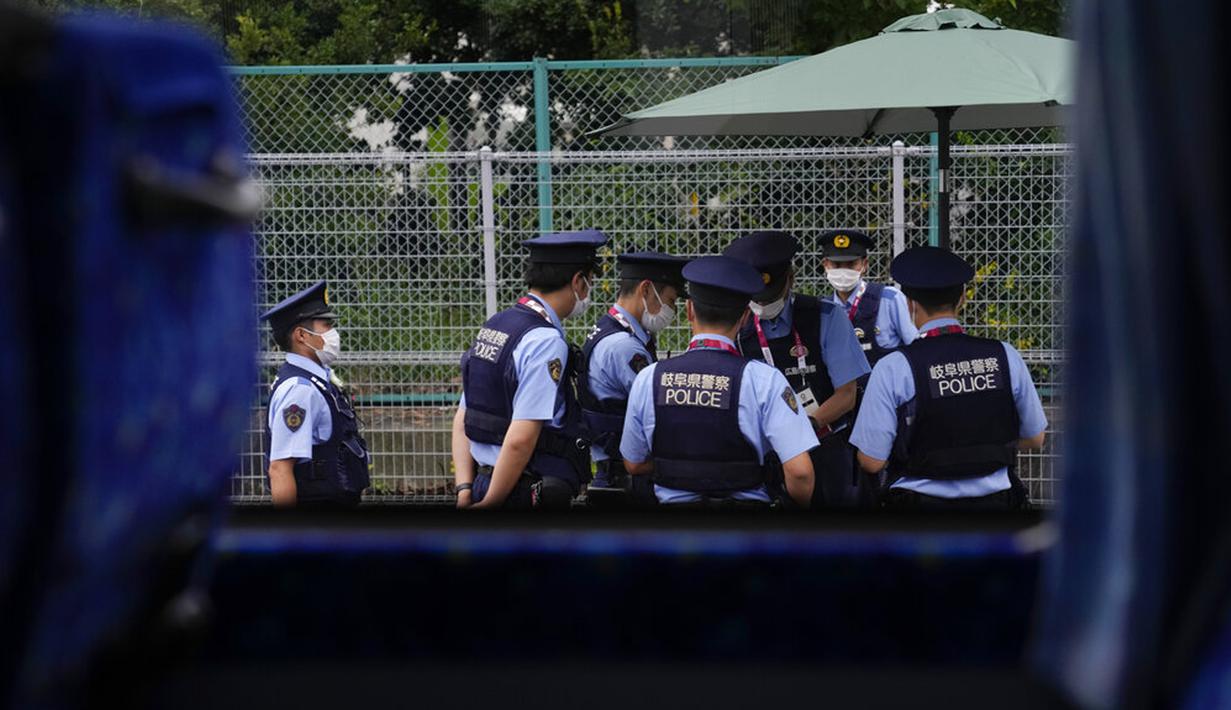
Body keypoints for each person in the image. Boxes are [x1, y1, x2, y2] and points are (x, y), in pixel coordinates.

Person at [849, 246, 1048, 510]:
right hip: (997, 506)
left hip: (919, 509)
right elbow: (1035, 438)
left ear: (910, 305)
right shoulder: (1005, 355)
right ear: (963, 298)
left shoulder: (894, 367)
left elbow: (871, 461)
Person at [619, 255, 817, 509]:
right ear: (745, 317)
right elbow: (800, 472)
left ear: (690, 310)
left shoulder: (650, 378)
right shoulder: (765, 380)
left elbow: (634, 463)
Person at [452, 229, 607, 510]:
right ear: (578, 282)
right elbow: (521, 439)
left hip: (482, 483)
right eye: (590, 281)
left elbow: (464, 416)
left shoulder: (495, 325)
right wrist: (492, 503)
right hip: (519, 489)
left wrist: (464, 490)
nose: (588, 292)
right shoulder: (545, 342)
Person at [722, 230, 870, 508]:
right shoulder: (738, 327)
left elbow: (847, 394)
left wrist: (804, 429)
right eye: (757, 298)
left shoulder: (826, 316)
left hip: (824, 446)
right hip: (764, 455)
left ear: (790, 278)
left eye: (770, 295)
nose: (763, 304)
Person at [577, 251, 689, 507]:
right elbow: (659, 410)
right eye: (670, 301)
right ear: (647, 290)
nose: (672, 310)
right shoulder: (625, 347)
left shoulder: (611, 330)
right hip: (625, 477)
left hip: (614, 468)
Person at [260, 280, 371, 508]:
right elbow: (280, 469)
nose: (333, 333)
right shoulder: (300, 391)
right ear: (302, 335)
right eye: (326, 325)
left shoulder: (317, 379)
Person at [821, 229, 917, 370]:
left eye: (851, 264)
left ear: (865, 265)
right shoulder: (823, 309)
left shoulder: (889, 300)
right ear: (825, 265)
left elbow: (915, 347)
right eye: (836, 265)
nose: (844, 271)